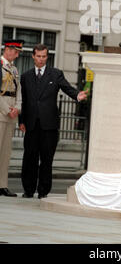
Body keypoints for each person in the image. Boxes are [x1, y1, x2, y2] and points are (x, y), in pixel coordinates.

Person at [19, 44, 88, 199]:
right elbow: (24, 101)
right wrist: (21, 120)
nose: (41, 59)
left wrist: (77, 95)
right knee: (29, 158)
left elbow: (67, 88)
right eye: (38, 56)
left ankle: (43, 191)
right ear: (33, 56)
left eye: (44, 56)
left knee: (46, 159)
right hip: (31, 125)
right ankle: (28, 190)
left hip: (49, 125)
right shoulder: (25, 76)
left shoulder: (55, 74)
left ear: (47, 57)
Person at [0, 39, 23, 197]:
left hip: (11, 114)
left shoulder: (13, 69)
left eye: (18, 52)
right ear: (7, 50)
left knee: (6, 153)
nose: (17, 54)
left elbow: (18, 91)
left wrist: (18, 108)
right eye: (15, 51)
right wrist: (7, 109)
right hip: (1, 113)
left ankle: (2, 185)